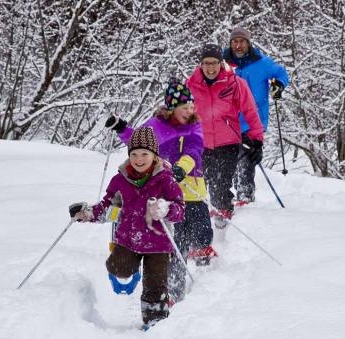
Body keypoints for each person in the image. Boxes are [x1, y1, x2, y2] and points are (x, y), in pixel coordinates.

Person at [105, 78, 216, 304]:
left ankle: (202, 252)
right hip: (167, 196)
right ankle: (172, 291)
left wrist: (181, 169)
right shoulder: (156, 125)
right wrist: (121, 128)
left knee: (203, 231)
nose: (189, 110)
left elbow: (195, 152)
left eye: (191, 106)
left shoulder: (194, 125)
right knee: (177, 243)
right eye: (184, 107)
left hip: (192, 190)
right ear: (172, 107)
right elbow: (138, 141)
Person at [69, 126, 185, 328]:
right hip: (128, 239)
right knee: (117, 267)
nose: (139, 159)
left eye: (144, 154)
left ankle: (155, 322)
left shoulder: (166, 181)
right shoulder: (120, 181)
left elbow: (180, 210)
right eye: (134, 154)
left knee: (156, 287)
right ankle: (131, 268)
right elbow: (108, 207)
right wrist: (88, 214)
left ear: (154, 155)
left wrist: (167, 209)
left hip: (159, 244)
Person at [186, 43, 264, 228]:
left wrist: (257, 141)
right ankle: (200, 223)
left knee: (220, 183)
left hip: (227, 143)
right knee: (200, 184)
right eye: (206, 63)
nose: (210, 68)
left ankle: (223, 213)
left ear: (221, 63)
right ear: (200, 65)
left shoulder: (235, 83)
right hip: (200, 144)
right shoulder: (191, 85)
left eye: (214, 63)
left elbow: (251, 112)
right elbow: (179, 113)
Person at [224, 27, 290, 205]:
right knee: (229, 161)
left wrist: (279, 84)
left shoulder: (262, 63)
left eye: (242, 41)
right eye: (235, 42)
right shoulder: (223, 64)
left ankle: (245, 198)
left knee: (246, 159)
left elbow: (282, 73)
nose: (238, 45)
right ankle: (229, 200)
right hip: (228, 122)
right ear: (230, 44)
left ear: (248, 43)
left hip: (253, 121)